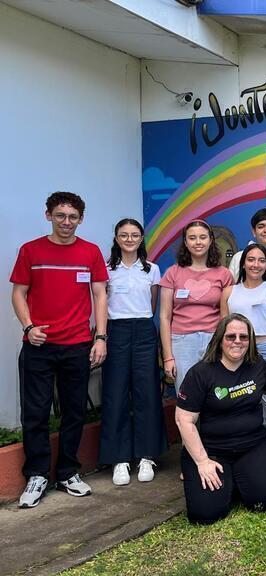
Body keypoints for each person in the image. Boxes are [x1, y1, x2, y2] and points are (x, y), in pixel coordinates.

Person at [11, 192, 108, 508]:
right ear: (49, 215)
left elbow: (100, 296)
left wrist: (101, 338)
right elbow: (18, 294)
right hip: (38, 346)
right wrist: (29, 327)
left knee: (74, 412)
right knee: (36, 413)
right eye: (60, 215)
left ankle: (68, 472)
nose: (66, 222)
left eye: (72, 216)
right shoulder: (31, 251)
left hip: (77, 345)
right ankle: (37, 474)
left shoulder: (90, 252)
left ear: (81, 219)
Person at [175, 314, 266, 524]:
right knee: (205, 515)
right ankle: (229, 482)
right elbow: (183, 420)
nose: (237, 341)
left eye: (244, 337)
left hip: (253, 445)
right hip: (212, 451)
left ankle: (236, 480)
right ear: (219, 339)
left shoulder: (256, 364)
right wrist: (202, 461)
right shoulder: (200, 373)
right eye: (231, 336)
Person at [100, 219, 168, 486]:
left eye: (135, 235)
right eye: (124, 235)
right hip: (115, 331)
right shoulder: (106, 270)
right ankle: (119, 459)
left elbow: (152, 304)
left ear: (141, 239)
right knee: (115, 393)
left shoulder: (151, 269)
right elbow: (101, 303)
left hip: (143, 330)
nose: (129, 239)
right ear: (116, 238)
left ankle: (146, 456)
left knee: (147, 391)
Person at [159, 220, 232, 393]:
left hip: (214, 339)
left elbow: (226, 315)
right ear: (185, 242)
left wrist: (224, 344)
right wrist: (168, 357)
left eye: (202, 237)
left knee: (216, 392)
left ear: (211, 240)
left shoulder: (224, 274)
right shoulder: (173, 273)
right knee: (186, 394)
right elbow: (164, 317)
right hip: (181, 342)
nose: (198, 242)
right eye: (192, 238)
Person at [221, 243, 266, 377]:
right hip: (236, 350)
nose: (256, 265)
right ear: (243, 264)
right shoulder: (229, 292)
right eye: (251, 259)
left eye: (261, 260)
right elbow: (222, 330)